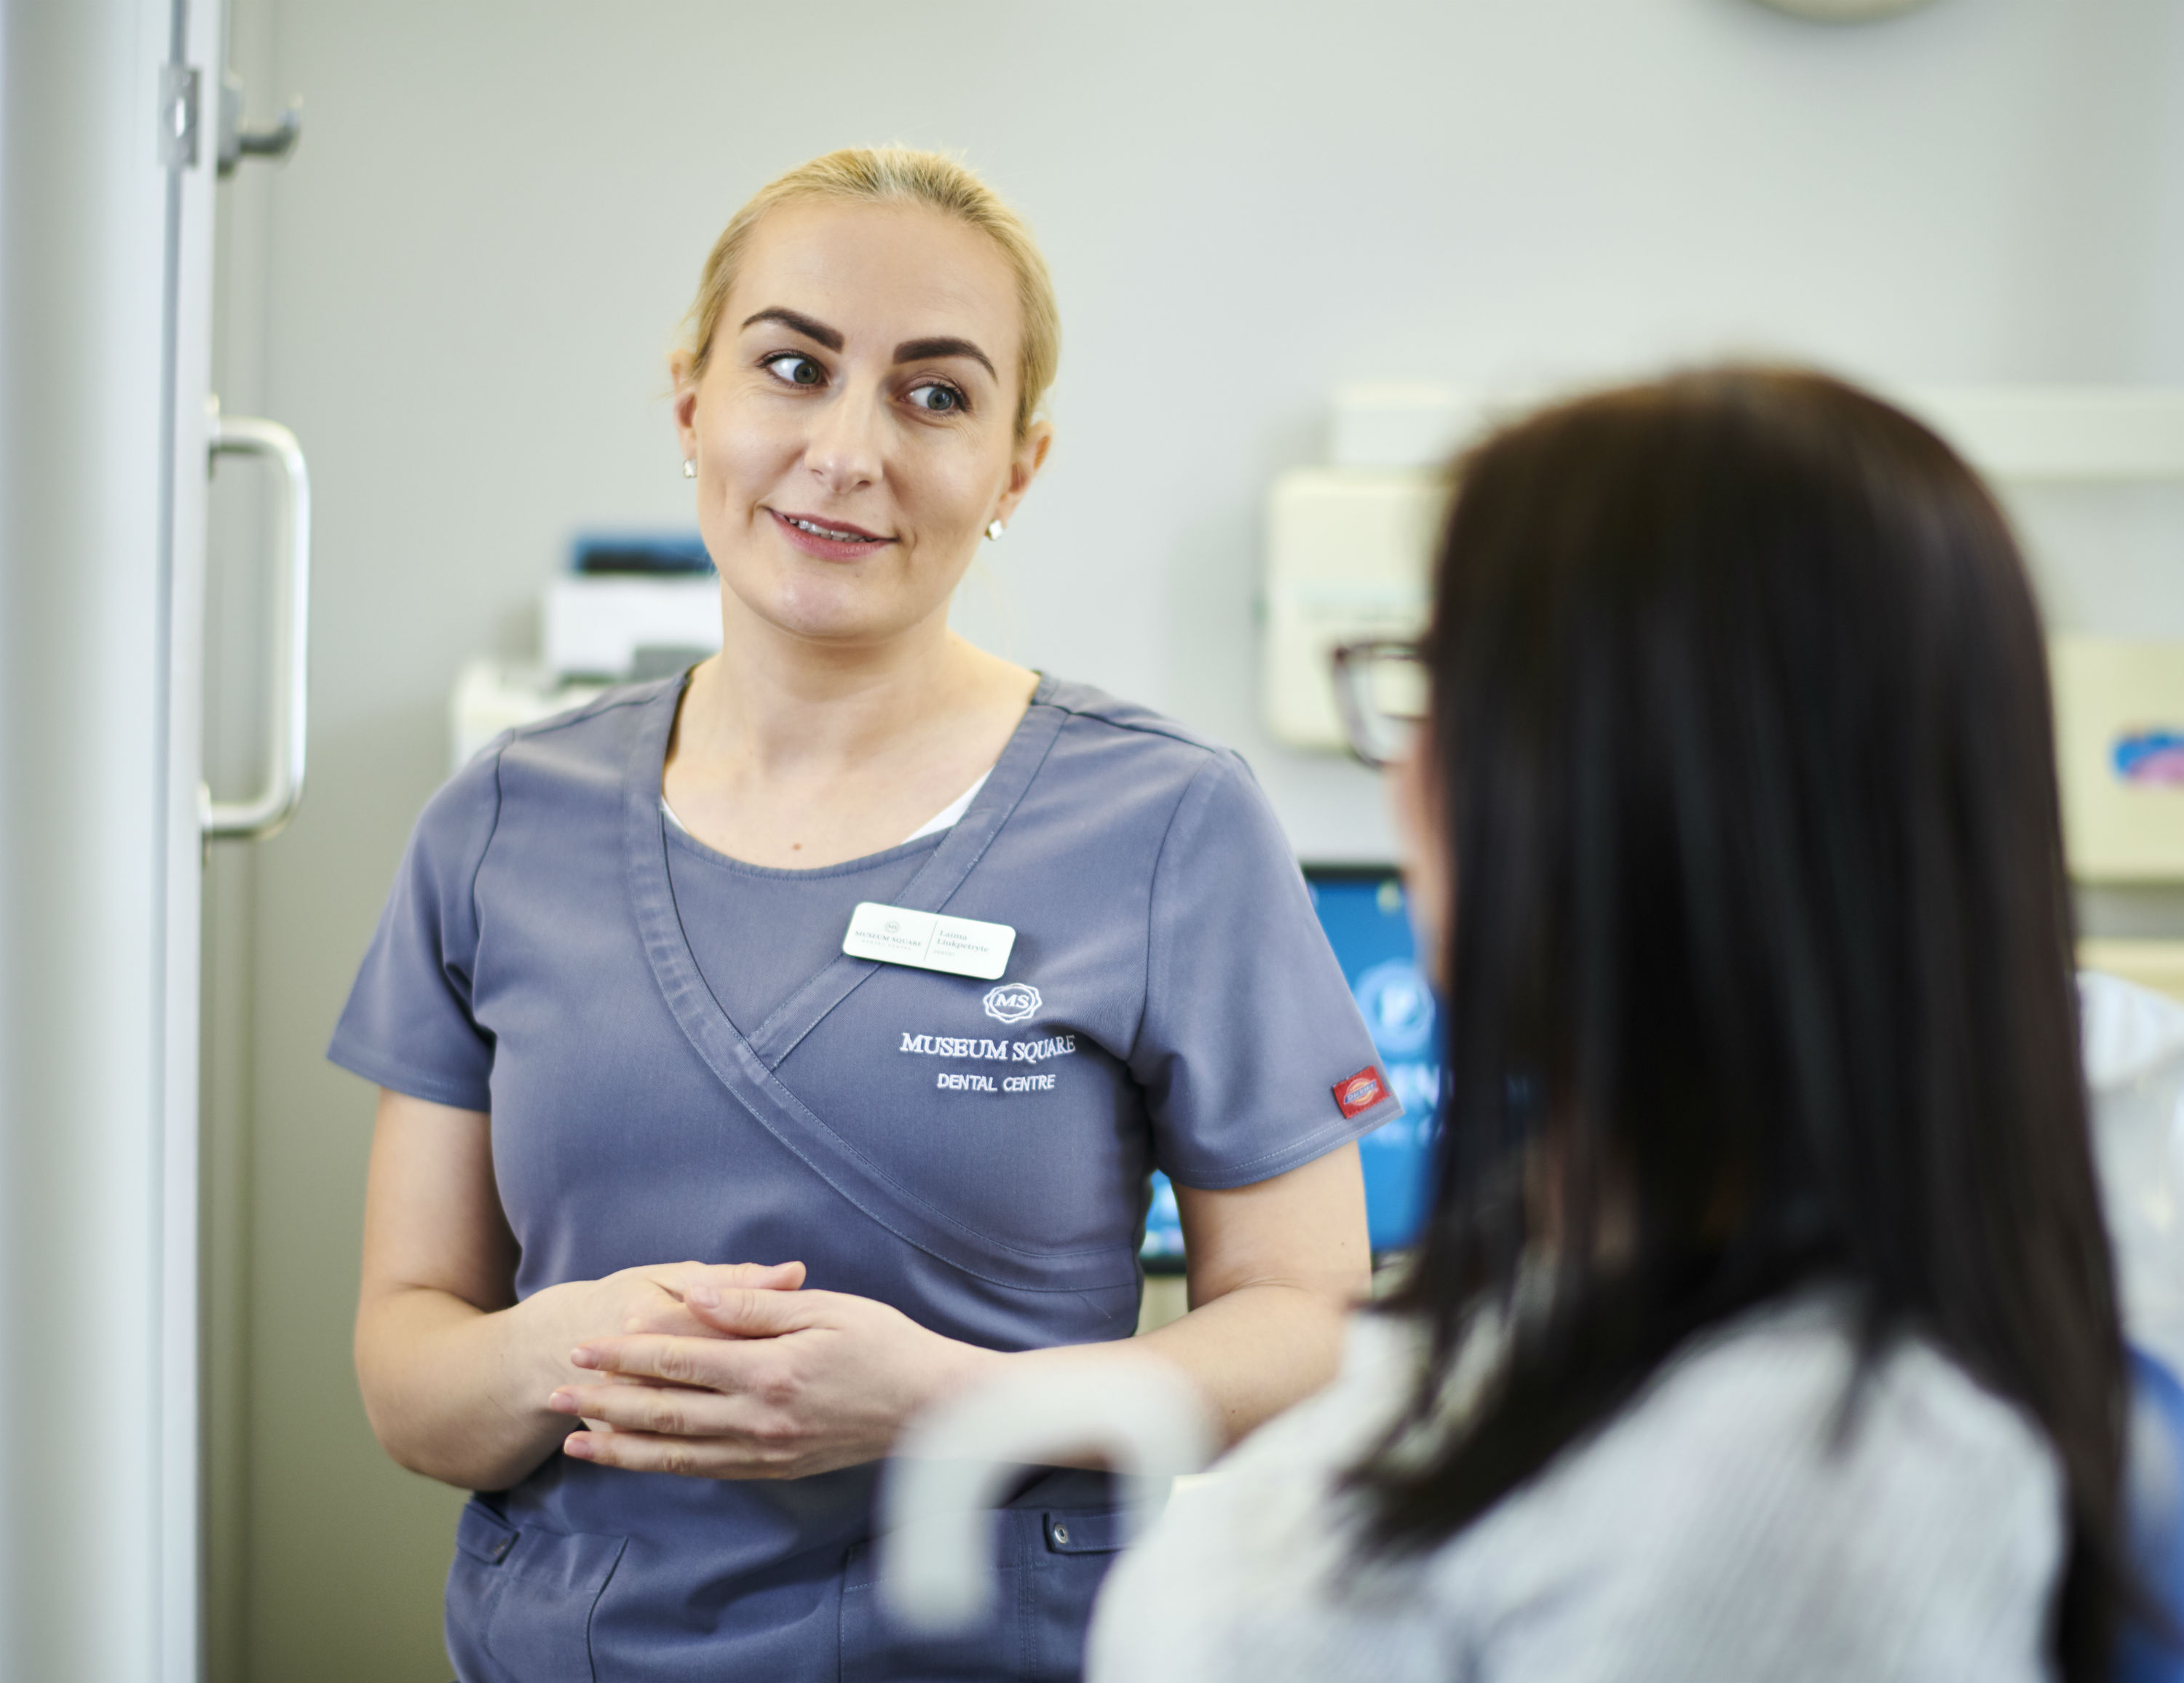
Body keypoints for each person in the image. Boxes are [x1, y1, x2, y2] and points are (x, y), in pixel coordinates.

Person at [331, 146, 1387, 1683]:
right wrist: (570, 1349)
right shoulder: (500, 826)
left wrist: (946, 1399)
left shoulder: (1168, 826)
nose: (846, 448)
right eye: (792, 366)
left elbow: (1306, 1327)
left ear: (1017, 467)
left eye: (934, 394)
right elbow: (404, 1365)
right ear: (693, 402)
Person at [1088, 368, 2131, 1682]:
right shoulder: (1577, 1297)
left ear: (1661, 789)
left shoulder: (1795, 1482)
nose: (1403, 766)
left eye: (1449, 680)